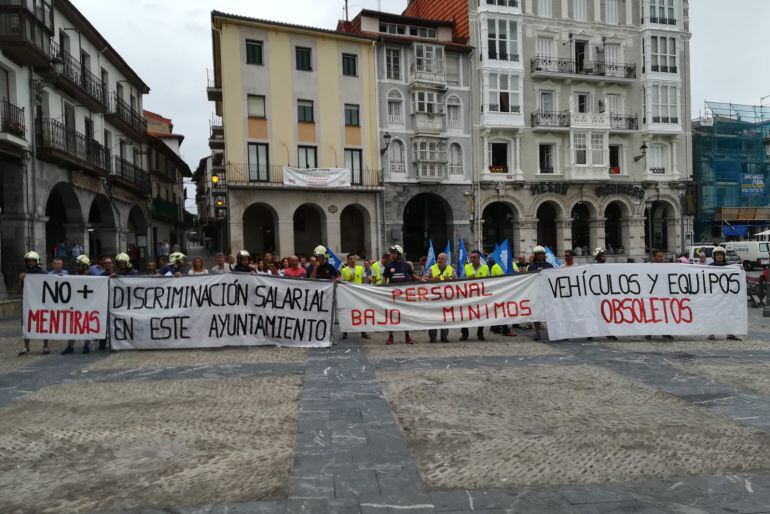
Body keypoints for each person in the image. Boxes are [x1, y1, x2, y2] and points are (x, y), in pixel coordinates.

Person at [17, 251, 50, 356]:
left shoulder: (43, 274)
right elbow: (17, 289)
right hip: (28, 304)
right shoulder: (23, 274)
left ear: (36, 261)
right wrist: (21, 280)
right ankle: (26, 347)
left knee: (44, 322)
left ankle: (46, 346)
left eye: (32, 261)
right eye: (28, 261)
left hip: (41, 303)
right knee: (26, 324)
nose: (30, 263)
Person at [383, 245, 415, 345]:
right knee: (392, 316)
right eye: (391, 253)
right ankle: (391, 336)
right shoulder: (389, 266)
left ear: (399, 255)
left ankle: (407, 336)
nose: (392, 255)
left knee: (405, 316)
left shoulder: (406, 265)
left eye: (394, 253)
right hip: (392, 297)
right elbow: (384, 280)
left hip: (404, 297)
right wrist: (382, 291)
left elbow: (412, 277)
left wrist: (422, 280)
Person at [62, 255, 94, 355]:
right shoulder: (75, 275)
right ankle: (70, 346)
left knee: (87, 325)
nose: (77, 267)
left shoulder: (93, 276)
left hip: (88, 305)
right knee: (72, 326)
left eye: (79, 265)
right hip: (76, 304)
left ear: (85, 266)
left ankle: (87, 345)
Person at [709, 247, 740, 341]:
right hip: (714, 295)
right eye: (717, 255)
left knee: (729, 313)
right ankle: (711, 332)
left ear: (724, 256)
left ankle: (730, 333)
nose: (719, 256)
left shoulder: (729, 267)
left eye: (721, 255)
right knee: (713, 314)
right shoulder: (709, 267)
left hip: (727, 296)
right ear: (714, 256)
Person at [461, 250, 489, 341]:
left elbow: (490, 280)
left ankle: (480, 333)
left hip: (481, 296)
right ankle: (465, 334)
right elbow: (460, 279)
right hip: (468, 296)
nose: (472, 259)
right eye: (471, 257)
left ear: (479, 258)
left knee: (481, 314)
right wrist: (467, 278)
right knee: (465, 315)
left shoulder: (485, 268)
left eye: (474, 257)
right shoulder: (466, 267)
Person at [340, 254, 369, 340]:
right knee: (347, 313)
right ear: (348, 260)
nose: (353, 260)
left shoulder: (360, 268)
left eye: (354, 259)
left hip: (358, 294)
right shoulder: (344, 270)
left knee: (360, 313)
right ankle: (345, 332)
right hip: (348, 295)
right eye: (351, 259)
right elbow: (342, 282)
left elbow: (363, 280)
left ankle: (363, 332)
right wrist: (349, 279)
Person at [528, 246, 554, 341]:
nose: (540, 256)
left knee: (550, 312)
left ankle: (552, 331)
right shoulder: (531, 266)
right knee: (536, 313)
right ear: (535, 255)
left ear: (544, 255)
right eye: (538, 254)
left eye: (541, 254)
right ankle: (537, 332)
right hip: (536, 292)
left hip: (547, 292)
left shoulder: (549, 266)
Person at [427, 252, 453, 343]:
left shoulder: (450, 269)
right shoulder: (431, 269)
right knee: (433, 317)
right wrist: (432, 280)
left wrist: (450, 280)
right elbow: (424, 280)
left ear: (446, 260)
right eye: (438, 258)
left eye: (441, 259)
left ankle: (444, 336)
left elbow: (458, 281)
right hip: (434, 298)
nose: (439, 260)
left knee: (445, 318)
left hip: (446, 298)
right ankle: (432, 337)